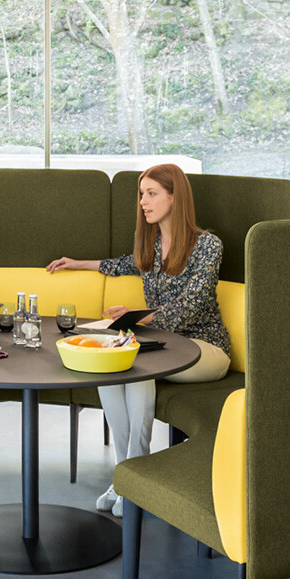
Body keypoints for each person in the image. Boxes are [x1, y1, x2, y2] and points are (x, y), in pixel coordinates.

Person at [46, 164, 232, 515]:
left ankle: (136, 480)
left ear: (175, 197)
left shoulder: (208, 245)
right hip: (164, 345)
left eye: (151, 194)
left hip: (204, 348)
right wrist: (78, 264)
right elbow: (122, 264)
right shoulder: (152, 244)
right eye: (141, 194)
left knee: (138, 365)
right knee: (109, 364)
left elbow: (190, 305)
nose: (143, 202)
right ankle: (125, 477)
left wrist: (138, 316)